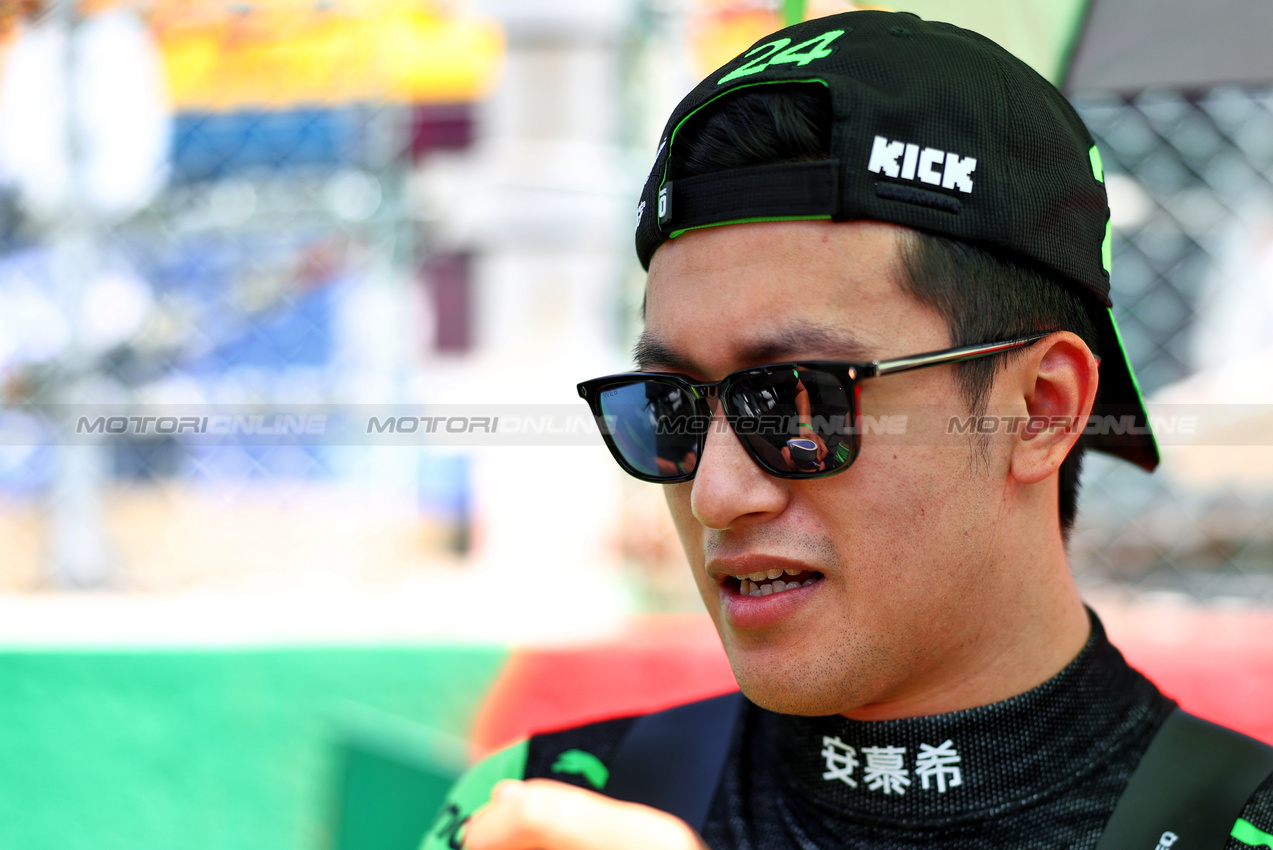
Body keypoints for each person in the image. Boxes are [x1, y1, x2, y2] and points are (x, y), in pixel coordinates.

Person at [422, 11, 1273, 850]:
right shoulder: (534, 810)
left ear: (1040, 408)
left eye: (798, 402)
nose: (717, 494)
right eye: (671, 407)